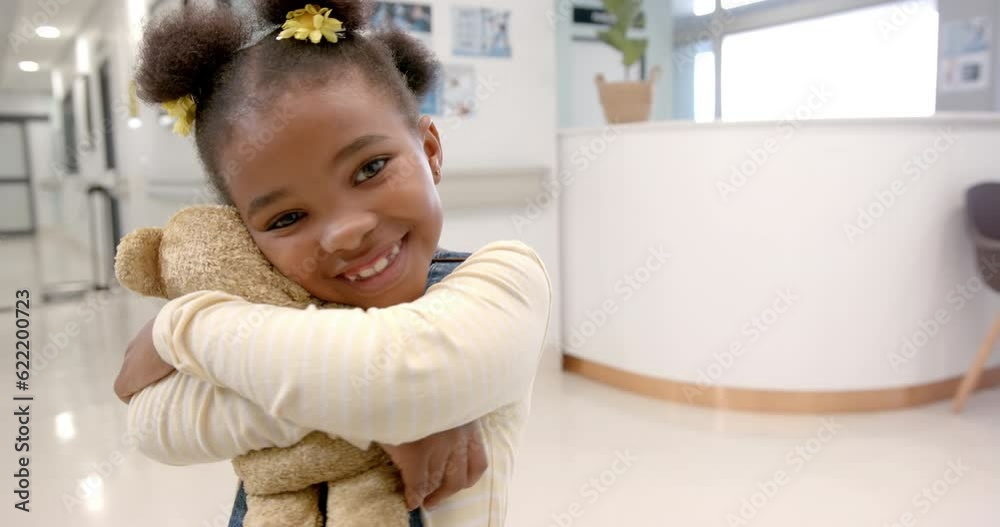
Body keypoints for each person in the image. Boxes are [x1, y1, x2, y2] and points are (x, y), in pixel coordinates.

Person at [113, 1, 552, 526]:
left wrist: (178, 327)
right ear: (246, 236)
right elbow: (154, 424)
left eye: (370, 168)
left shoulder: (505, 279)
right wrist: (382, 421)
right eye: (287, 217)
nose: (345, 231)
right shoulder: (263, 311)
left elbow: (400, 380)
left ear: (430, 150)